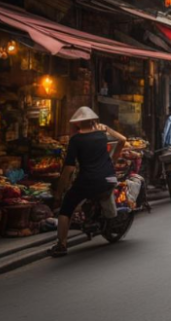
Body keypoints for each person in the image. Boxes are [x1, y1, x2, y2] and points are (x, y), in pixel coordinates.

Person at [49, 107, 126, 257]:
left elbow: (69, 168)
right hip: (109, 178)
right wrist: (113, 161)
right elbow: (122, 140)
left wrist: (59, 191)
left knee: (66, 209)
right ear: (93, 121)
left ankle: (61, 245)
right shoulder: (102, 135)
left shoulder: (76, 140)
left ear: (77, 124)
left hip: (89, 180)